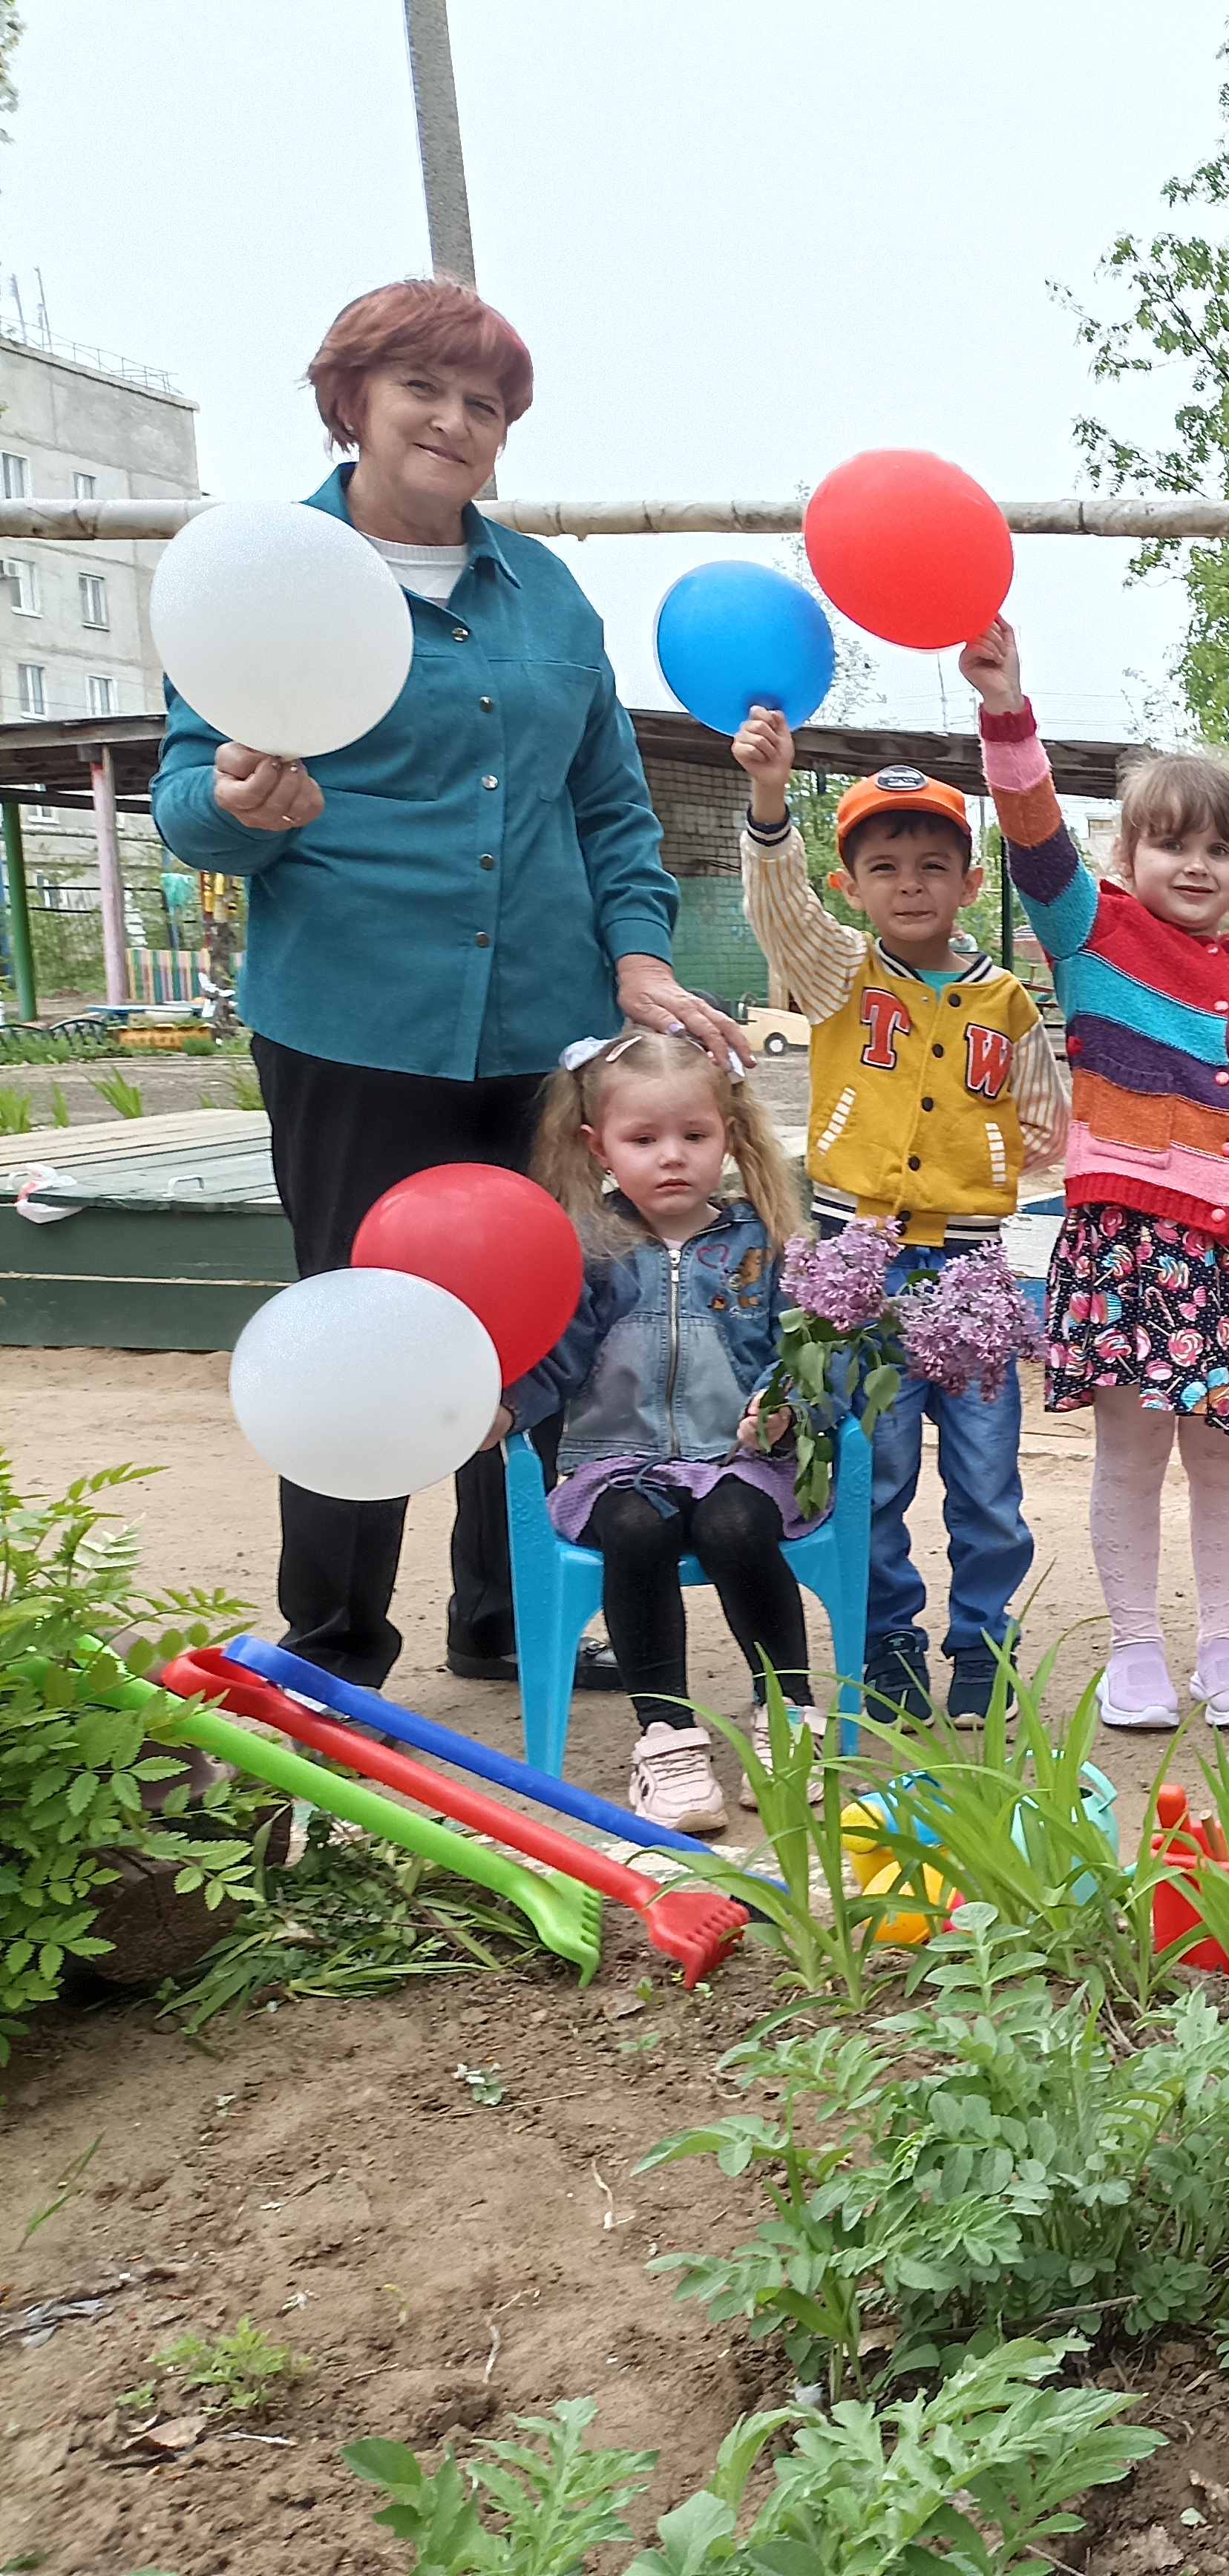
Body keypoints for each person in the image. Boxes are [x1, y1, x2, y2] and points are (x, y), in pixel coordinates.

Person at [151, 277, 739, 1693]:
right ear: (351, 401)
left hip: (542, 1028)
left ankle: (511, 1616)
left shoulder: (543, 593)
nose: (456, 422)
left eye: (486, 406)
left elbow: (609, 805)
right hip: (354, 1025)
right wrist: (243, 808)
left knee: (534, 1320)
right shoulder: (270, 579)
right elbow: (185, 797)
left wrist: (639, 952)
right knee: (357, 1323)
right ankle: (333, 1647)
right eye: (426, 389)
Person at [969, 622, 1229, 1732]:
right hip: (1131, 1248)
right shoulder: (1092, 937)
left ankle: (1226, 1650)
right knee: (1129, 1455)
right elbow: (1033, 836)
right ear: (1129, 858)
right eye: (1171, 846)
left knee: (1226, 1461)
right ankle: (1138, 1652)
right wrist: (1008, 707)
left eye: (1219, 851)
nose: (1195, 867)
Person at [733, 710, 1067, 1727]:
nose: (910, 882)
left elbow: (1047, 1114)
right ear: (853, 886)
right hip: (856, 1265)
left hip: (968, 1270)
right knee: (870, 1474)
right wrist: (767, 803)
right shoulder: (840, 973)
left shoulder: (1005, 999)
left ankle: (982, 1647)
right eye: (885, 866)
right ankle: (886, 1645)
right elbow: (779, 914)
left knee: (986, 1476)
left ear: (971, 883)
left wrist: (1012, 1154)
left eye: (933, 862)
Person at [496, 1032, 810, 1836]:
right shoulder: (588, 1248)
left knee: (736, 1524)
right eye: (643, 1140)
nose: (671, 1157)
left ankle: (789, 1715)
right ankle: (667, 1738)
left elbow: (805, 1353)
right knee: (636, 1528)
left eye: (694, 1136)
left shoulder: (763, 1242)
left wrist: (784, 1408)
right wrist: (503, 1408)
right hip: (615, 1462)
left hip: (744, 1458)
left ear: (729, 1138)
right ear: (597, 1147)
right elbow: (553, 1360)